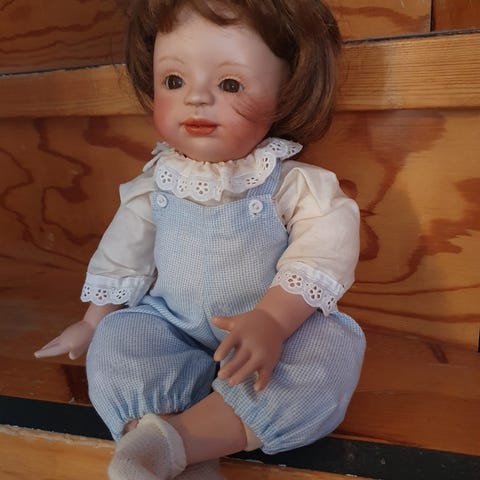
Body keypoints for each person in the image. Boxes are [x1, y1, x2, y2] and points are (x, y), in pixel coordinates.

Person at [35, 1, 366, 479]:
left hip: (275, 328)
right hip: (172, 323)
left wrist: (273, 319)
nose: (195, 99)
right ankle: (171, 443)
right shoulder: (157, 183)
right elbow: (123, 254)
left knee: (329, 352)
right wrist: (93, 322)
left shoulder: (293, 185)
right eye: (174, 81)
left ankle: (177, 442)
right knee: (120, 341)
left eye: (230, 84)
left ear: (287, 91)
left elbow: (324, 249)